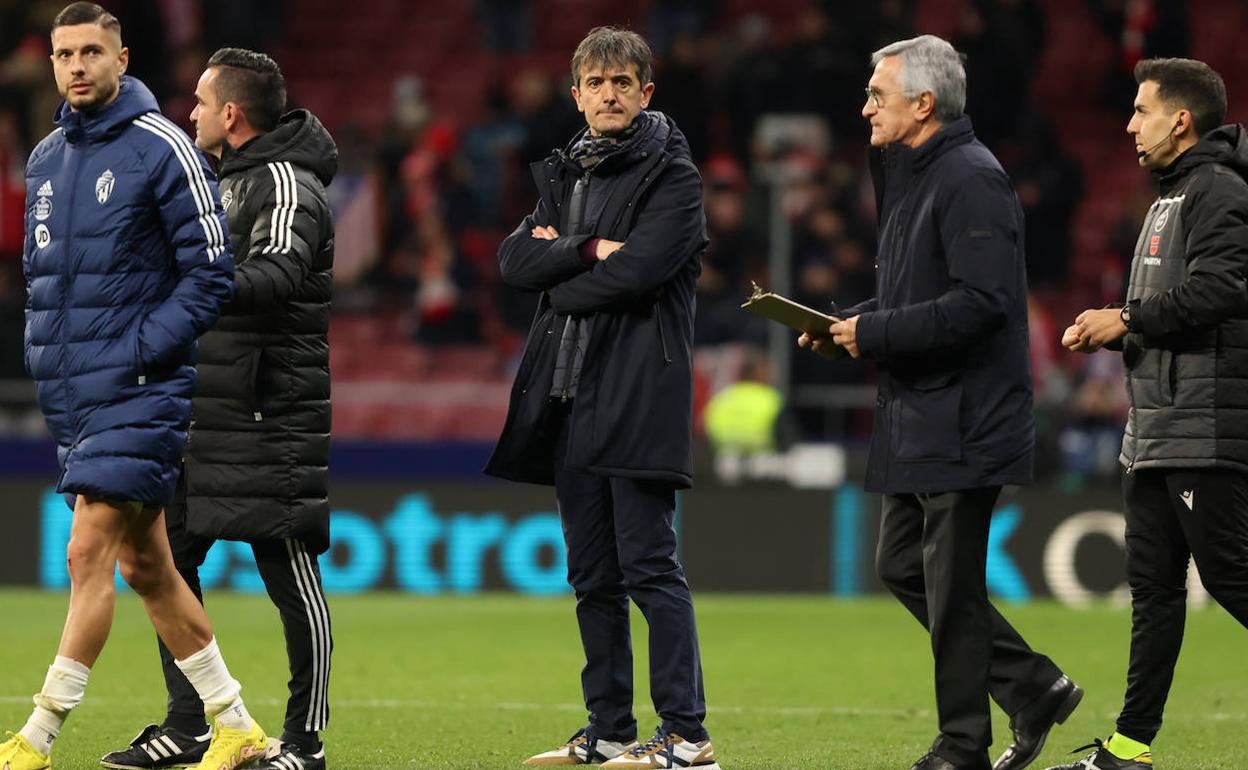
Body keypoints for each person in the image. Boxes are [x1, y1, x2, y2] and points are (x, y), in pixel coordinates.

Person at [799, 35, 1081, 770]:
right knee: (903, 565)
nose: (864, 106)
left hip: (965, 414)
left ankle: (963, 746)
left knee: (951, 590)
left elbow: (983, 304)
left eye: (877, 94)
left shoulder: (969, 178)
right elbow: (916, 295)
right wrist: (851, 327)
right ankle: (1032, 684)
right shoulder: (916, 173)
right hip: (920, 411)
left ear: (924, 103)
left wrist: (878, 331)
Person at [1, 5, 268, 770]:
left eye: (92, 51)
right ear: (51, 64)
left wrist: (144, 348)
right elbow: (42, 275)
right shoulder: (47, 156)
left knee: (87, 551)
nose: (77, 65)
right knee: (148, 567)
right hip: (76, 392)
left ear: (121, 59)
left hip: (141, 387)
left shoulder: (163, 147)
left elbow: (212, 271)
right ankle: (236, 723)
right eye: (63, 54)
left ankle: (39, 734)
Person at [484, 26, 720, 770]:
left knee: (649, 568)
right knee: (592, 577)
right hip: (569, 397)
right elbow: (513, 261)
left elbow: (640, 273)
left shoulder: (673, 178)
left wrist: (562, 273)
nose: (610, 94)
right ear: (577, 94)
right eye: (597, 82)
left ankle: (688, 737)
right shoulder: (568, 174)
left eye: (624, 82)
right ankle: (611, 730)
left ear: (646, 93)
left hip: (638, 393)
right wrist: (583, 250)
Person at [97, 47, 338, 770]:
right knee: (166, 566)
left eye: (200, 103)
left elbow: (281, 271)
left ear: (231, 113)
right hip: (204, 407)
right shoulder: (217, 179)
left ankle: (305, 743)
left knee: (290, 576)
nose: (191, 114)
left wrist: (194, 283)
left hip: (270, 411)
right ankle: (191, 723)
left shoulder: (289, 181)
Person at [1053, 57, 1248, 770]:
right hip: (1157, 428)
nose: (1130, 124)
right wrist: (1112, 326)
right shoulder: (1172, 195)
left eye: (1141, 111)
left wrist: (1124, 317)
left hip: (1205, 425)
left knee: (1231, 577)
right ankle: (1128, 749)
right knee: (1156, 594)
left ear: (1181, 119)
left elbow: (1222, 292)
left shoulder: (1220, 189)